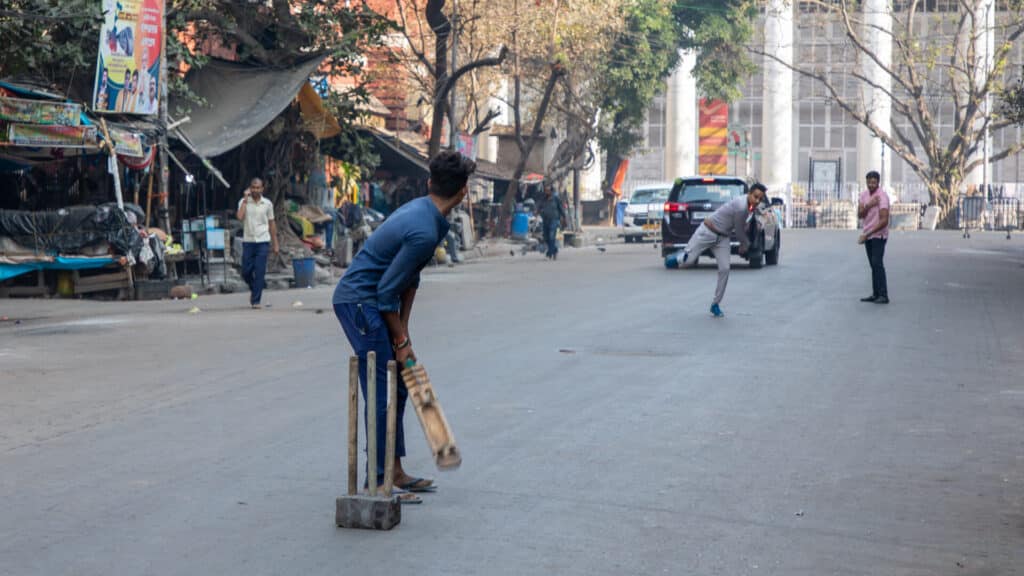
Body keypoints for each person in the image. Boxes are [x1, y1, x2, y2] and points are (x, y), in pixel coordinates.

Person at [331, 150, 476, 503]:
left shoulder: (428, 218)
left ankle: (394, 471)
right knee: (382, 391)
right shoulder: (424, 228)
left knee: (397, 388)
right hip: (360, 302)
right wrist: (399, 336)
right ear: (463, 192)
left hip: (372, 301)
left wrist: (403, 335)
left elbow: (408, 280)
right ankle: (377, 482)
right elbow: (384, 293)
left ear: (430, 184)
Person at [678, 183, 767, 318]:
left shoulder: (750, 206)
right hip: (707, 231)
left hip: (722, 238)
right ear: (749, 193)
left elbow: (745, 224)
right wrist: (745, 244)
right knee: (687, 261)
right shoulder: (740, 206)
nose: (757, 201)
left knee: (725, 269)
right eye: (755, 197)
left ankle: (715, 304)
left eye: (760, 199)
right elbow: (738, 230)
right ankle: (674, 258)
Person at [235, 178, 279, 309]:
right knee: (245, 271)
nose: (255, 190)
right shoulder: (243, 202)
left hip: (263, 241)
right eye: (253, 187)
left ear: (262, 189)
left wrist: (275, 243)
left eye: (258, 187)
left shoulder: (267, 204)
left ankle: (256, 300)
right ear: (250, 188)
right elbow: (240, 217)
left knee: (260, 271)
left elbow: (272, 223)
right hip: (248, 241)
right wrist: (244, 199)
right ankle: (254, 288)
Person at [857, 170, 890, 304]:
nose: (871, 185)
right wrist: (869, 205)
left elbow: (884, 221)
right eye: (869, 182)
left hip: (878, 234)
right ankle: (875, 293)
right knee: (873, 264)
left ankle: (883, 294)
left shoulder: (882, 197)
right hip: (868, 235)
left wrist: (868, 234)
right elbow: (860, 214)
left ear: (878, 182)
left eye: (874, 182)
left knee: (877, 263)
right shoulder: (864, 195)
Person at [539, 184, 566, 260]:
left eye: (548, 190)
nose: (546, 192)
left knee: (551, 236)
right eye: (545, 190)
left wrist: (564, 217)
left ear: (551, 191)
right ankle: (555, 250)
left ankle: (549, 253)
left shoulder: (556, 199)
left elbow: (561, 208)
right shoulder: (543, 199)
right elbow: (539, 207)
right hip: (545, 220)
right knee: (546, 237)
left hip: (554, 220)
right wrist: (538, 212)